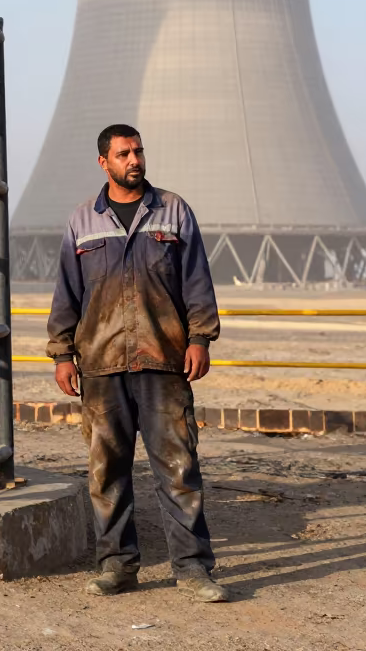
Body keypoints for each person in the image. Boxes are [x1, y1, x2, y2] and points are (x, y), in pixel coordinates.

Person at [46, 123, 227, 602]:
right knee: (107, 471)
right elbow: (67, 292)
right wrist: (62, 353)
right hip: (102, 366)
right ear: (103, 161)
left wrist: (200, 338)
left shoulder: (173, 211)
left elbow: (196, 281)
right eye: (124, 153)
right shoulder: (82, 221)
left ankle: (192, 570)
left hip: (163, 362)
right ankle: (117, 567)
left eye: (139, 151)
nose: (135, 160)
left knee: (178, 469)